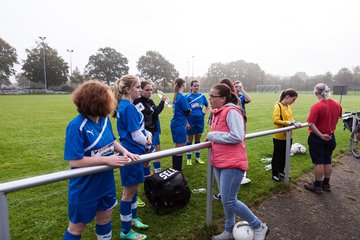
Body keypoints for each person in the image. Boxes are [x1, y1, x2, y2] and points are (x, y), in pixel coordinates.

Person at [63, 80, 138, 240]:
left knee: (104, 219)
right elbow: (74, 162)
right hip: (85, 187)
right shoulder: (76, 126)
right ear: (97, 101)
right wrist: (106, 160)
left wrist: (125, 151)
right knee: (76, 229)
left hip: (105, 183)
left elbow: (111, 141)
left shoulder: (104, 120)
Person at [206, 84, 269, 240]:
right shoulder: (217, 112)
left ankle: (258, 226)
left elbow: (237, 136)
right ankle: (228, 230)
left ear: (222, 98)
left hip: (232, 163)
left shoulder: (232, 111)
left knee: (229, 200)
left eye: (213, 96)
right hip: (219, 161)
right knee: (225, 200)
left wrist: (213, 135)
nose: (210, 99)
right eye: (210, 96)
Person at [113, 75, 152, 240]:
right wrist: (147, 143)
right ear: (128, 89)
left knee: (133, 189)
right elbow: (136, 135)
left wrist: (148, 133)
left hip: (135, 151)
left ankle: (133, 219)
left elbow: (139, 129)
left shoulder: (127, 106)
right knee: (128, 193)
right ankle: (125, 230)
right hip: (133, 152)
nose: (140, 90)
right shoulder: (127, 107)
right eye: (137, 87)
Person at [304, 83, 342, 194]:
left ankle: (317, 186)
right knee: (327, 160)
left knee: (319, 163)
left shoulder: (317, 106)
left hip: (318, 138)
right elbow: (337, 118)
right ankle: (326, 184)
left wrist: (320, 135)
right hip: (331, 137)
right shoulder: (337, 104)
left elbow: (311, 123)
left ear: (316, 92)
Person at [133, 80, 167, 175]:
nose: (149, 92)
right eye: (147, 90)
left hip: (153, 130)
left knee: (155, 151)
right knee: (145, 155)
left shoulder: (150, 101)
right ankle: (145, 174)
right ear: (141, 90)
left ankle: (157, 172)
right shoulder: (136, 102)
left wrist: (162, 102)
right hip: (142, 132)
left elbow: (155, 112)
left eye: (151, 90)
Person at [271, 88, 301, 182]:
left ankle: (281, 171)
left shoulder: (288, 106)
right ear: (287, 97)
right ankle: (275, 174)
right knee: (277, 156)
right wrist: (289, 123)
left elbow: (291, 118)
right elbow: (275, 121)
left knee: (285, 155)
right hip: (279, 137)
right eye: (293, 99)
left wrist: (294, 122)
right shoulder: (278, 106)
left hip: (288, 136)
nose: (293, 102)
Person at [185, 80, 209, 165]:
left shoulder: (202, 96)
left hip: (200, 121)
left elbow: (207, 106)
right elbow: (183, 111)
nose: (196, 87)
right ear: (191, 87)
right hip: (190, 121)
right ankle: (189, 158)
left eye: (198, 85)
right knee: (189, 140)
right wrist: (186, 122)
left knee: (198, 140)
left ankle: (197, 157)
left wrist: (205, 111)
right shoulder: (187, 96)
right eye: (195, 86)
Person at [170, 77, 191, 171]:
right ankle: (177, 170)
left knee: (178, 147)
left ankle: (176, 169)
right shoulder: (182, 96)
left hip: (177, 123)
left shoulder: (177, 95)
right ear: (183, 85)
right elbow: (187, 111)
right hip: (178, 125)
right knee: (180, 148)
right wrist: (191, 109)